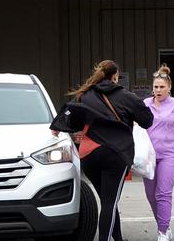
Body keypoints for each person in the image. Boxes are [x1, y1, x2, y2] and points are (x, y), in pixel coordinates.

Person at [50, 60, 154, 241]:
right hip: (115, 153)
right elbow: (147, 121)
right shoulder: (126, 96)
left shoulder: (84, 95)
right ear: (115, 76)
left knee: (108, 203)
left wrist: (58, 125)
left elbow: (72, 119)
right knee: (110, 203)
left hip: (88, 155)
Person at [143, 63, 174, 241]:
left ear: (169, 88)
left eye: (162, 87)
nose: (158, 90)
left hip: (170, 155)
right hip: (148, 156)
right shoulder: (145, 104)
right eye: (156, 87)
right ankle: (164, 225)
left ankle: (162, 232)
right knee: (150, 195)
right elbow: (136, 125)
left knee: (162, 193)